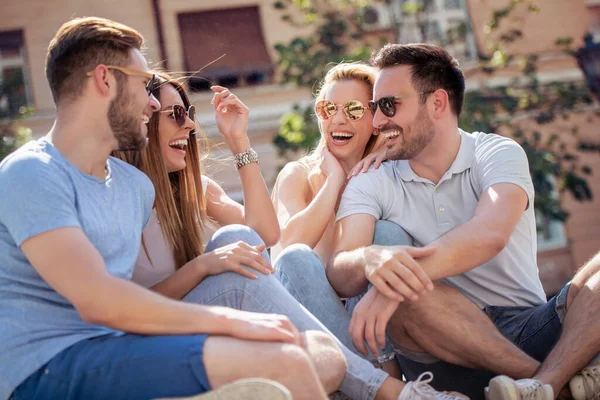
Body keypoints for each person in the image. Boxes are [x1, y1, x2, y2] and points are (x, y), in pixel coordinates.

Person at [0, 17, 343, 400]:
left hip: (121, 348)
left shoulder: (133, 187)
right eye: (143, 84)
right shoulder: (32, 172)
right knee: (288, 363)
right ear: (105, 80)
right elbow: (98, 300)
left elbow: (261, 234)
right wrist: (233, 322)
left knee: (323, 357)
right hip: (47, 367)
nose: (151, 101)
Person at [116, 70, 468, 400]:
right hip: (148, 332)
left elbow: (261, 235)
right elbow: (284, 247)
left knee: (242, 237)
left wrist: (239, 143)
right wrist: (333, 182)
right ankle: (390, 390)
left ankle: (388, 383)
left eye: (189, 112)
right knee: (274, 254)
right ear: (144, 118)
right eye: (176, 114)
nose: (191, 124)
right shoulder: (118, 193)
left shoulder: (195, 190)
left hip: (385, 331)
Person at [322, 42, 600, 400]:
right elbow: (341, 270)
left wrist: (399, 278)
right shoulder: (372, 179)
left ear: (437, 103)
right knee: (402, 293)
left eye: (389, 105)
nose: (377, 121)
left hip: (533, 325)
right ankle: (552, 386)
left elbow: (490, 233)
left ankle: (539, 387)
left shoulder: (496, 152)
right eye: (376, 108)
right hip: (445, 357)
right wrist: (370, 261)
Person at [271, 62, 402, 375]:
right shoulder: (298, 174)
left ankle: (375, 379)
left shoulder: (390, 172)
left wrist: (386, 153)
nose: (338, 118)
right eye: (327, 108)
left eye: (354, 109)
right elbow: (290, 247)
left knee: (388, 235)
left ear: (375, 121)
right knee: (298, 258)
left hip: (373, 319)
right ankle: (385, 378)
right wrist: (332, 181)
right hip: (304, 318)